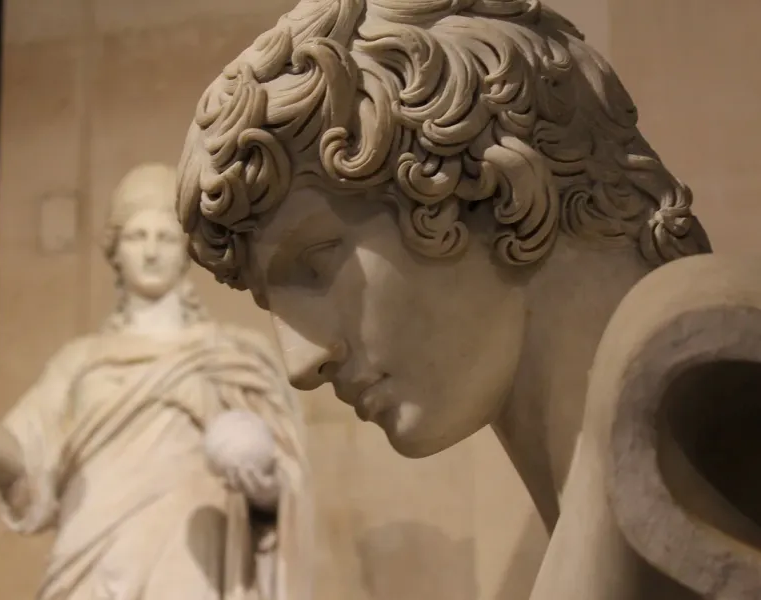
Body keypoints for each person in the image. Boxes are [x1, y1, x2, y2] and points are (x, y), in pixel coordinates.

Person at [175, 0, 716, 597]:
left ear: (491, 183)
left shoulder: (721, 386)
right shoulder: (617, 499)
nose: (300, 364)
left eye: (315, 262)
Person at [0, 163, 312, 600]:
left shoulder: (235, 358)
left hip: (190, 566)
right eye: (137, 236)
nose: (151, 251)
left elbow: (286, 484)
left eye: (165, 237)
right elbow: (20, 464)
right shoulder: (79, 363)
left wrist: (263, 488)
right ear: (115, 250)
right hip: (89, 565)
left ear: (186, 251)